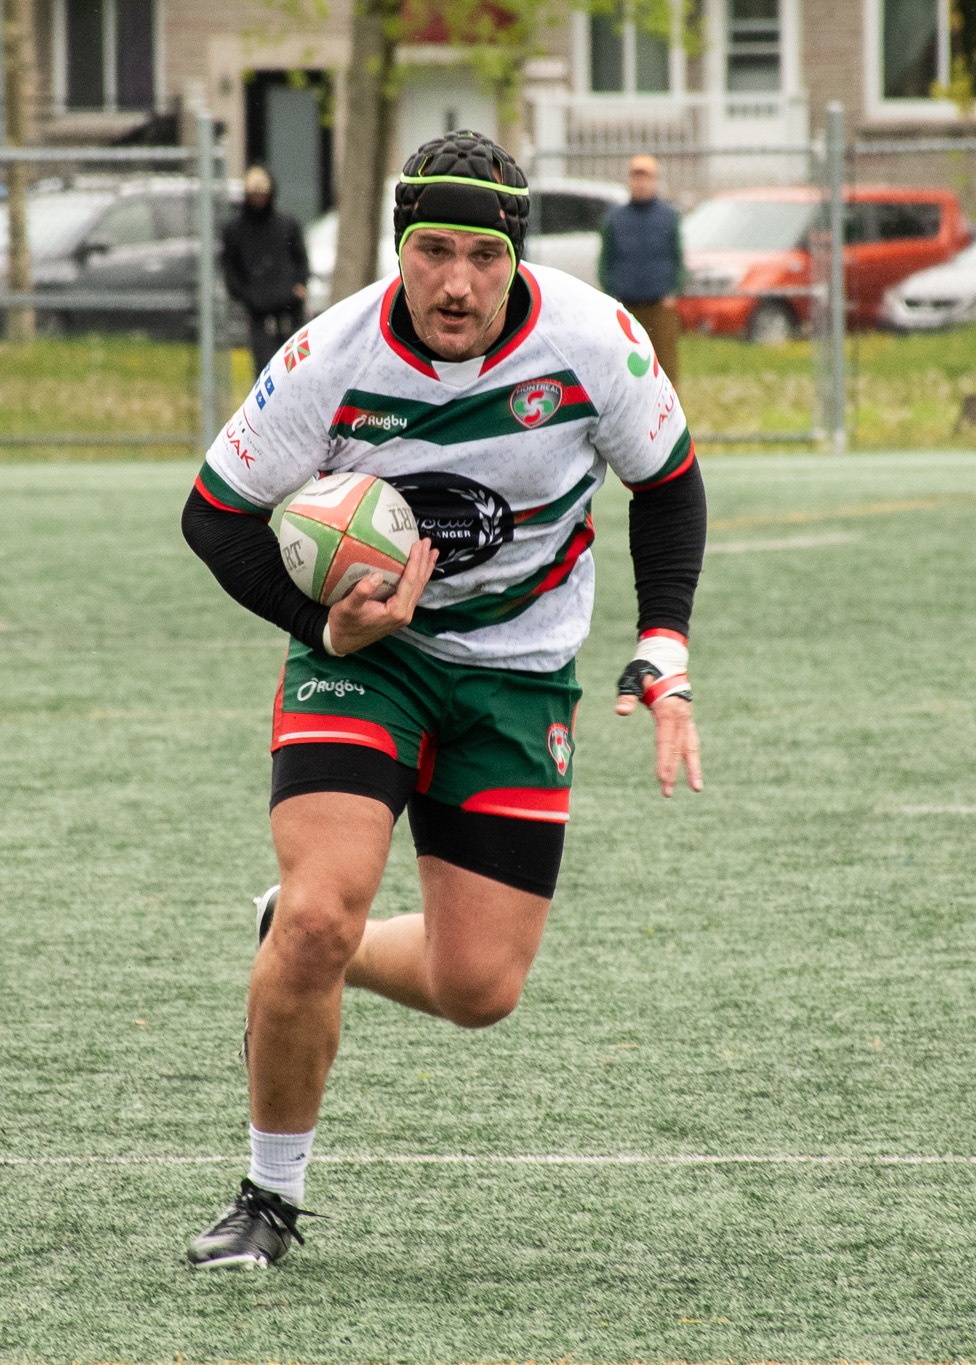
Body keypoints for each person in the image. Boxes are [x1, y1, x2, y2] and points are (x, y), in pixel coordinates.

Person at [179, 130, 707, 1269]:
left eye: (480, 253)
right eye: (430, 251)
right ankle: (268, 1199)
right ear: (398, 249)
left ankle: (300, 944)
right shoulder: (331, 355)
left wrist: (661, 644)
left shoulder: (592, 341)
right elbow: (212, 514)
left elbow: (667, 485)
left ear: (515, 256)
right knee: (324, 906)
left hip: (520, 669)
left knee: (477, 989)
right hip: (365, 662)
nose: (454, 282)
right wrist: (325, 625)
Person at [598, 154, 686, 385]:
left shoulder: (669, 217)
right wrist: (610, 293)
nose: (641, 183)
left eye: (646, 178)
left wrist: (673, 291)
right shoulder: (615, 218)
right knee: (626, 364)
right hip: (627, 305)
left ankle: (668, 417)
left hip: (660, 305)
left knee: (666, 366)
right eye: (636, 177)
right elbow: (605, 259)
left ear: (655, 181)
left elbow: (678, 258)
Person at [221, 166, 311, 376]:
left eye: (262, 194)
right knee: (265, 374)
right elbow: (230, 269)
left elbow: (301, 261)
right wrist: (246, 295)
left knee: (296, 373)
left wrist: (299, 287)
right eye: (254, 194)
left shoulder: (287, 225)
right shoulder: (235, 230)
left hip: (290, 315)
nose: (259, 199)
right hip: (259, 317)